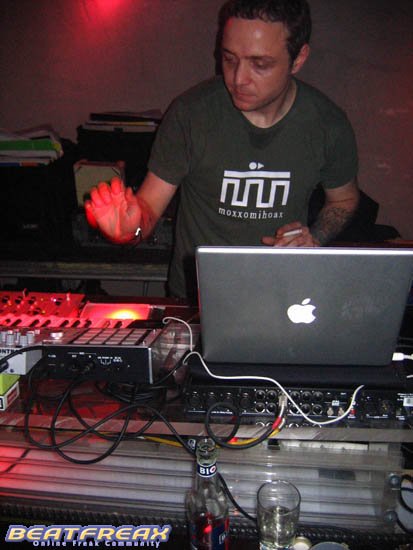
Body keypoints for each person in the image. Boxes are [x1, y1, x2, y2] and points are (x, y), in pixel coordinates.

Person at [85, 0, 360, 301]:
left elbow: (344, 199)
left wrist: (315, 237)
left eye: (260, 64)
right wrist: (129, 229)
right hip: (196, 299)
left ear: (298, 59)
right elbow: (148, 209)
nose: (238, 79)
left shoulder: (328, 123)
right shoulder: (191, 114)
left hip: (283, 297)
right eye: (229, 59)